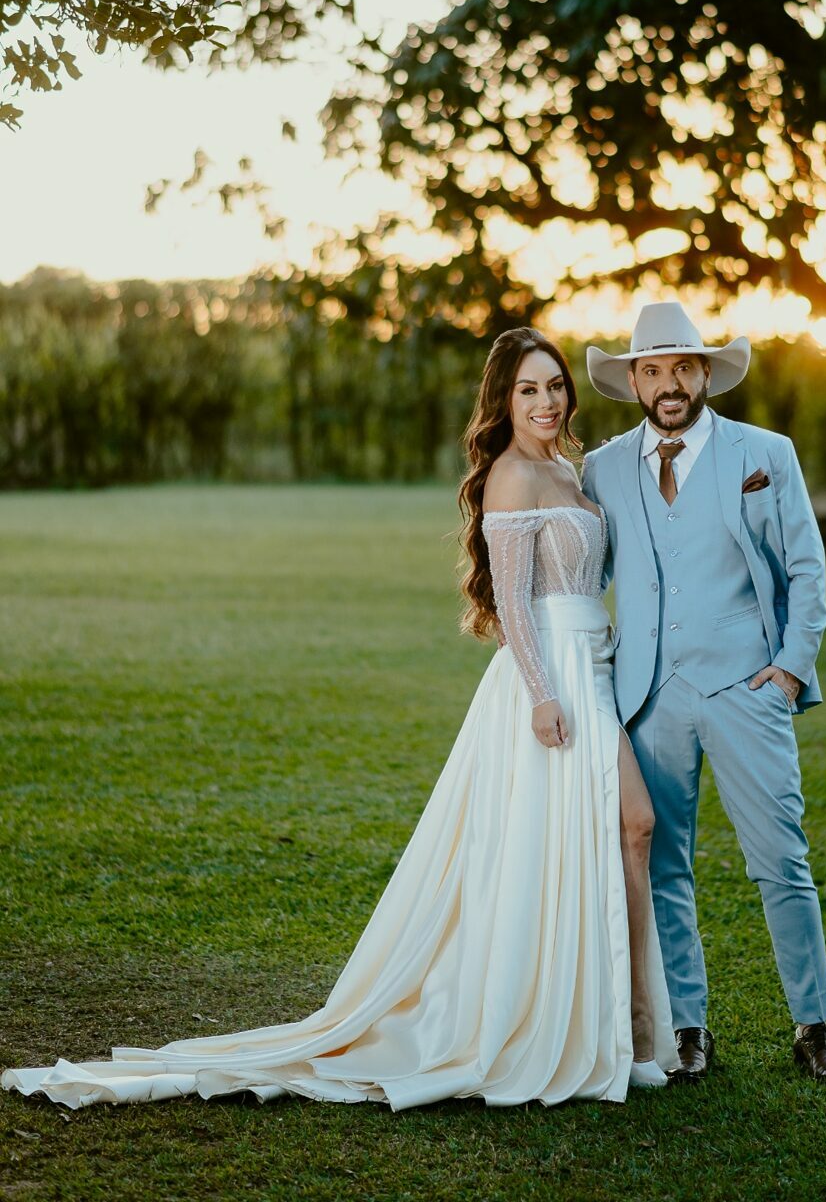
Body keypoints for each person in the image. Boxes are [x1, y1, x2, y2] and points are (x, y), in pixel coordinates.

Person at [3, 329, 676, 1111]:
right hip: (551, 681)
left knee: (613, 836)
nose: (546, 401)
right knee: (607, 833)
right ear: (503, 400)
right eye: (528, 389)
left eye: (554, 385)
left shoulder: (568, 468)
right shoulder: (512, 476)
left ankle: (622, 1030)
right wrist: (542, 695)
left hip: (595, 668)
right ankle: (591, 1032)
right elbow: (515, 603)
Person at [582, 301, 826, 1083]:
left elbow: (805, 565)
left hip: (746, 685)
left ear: (705, 373)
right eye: (653, 370)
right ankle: (688, 1029)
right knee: (663, 866)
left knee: (781, 861)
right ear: (635, 382)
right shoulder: (601, 468)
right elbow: (584, 567)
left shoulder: (764, 452)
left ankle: (813, 1026)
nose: (668, 384)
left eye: (682, 368)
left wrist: (790, 667)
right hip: (648, 694)